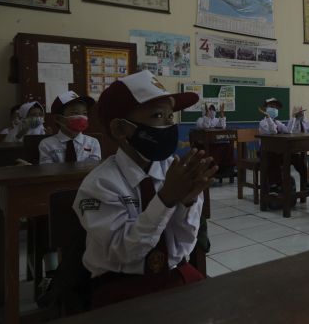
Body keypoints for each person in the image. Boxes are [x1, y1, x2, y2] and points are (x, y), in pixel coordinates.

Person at [72, 70, 215, 308]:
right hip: (120, 285)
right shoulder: (100, 184)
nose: (170, 124)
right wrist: (167, 199)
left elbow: (183, 246)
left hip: (175, 275)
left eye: (171, 116)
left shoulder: (174, 170)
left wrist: (187, 204)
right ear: (119, 129)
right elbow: (125, 253)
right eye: (158, 115)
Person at [258, 98, 307, 202]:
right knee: (273, 157)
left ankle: (306, 181)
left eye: (276, 107)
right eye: (271, 107)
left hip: (278, 152)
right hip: (266, 153)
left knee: (296, 156)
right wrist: (268, 118)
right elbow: (273, 132)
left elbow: (289, 130)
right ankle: (274, 185)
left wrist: (294, 117)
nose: (274, 109)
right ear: (265, 108)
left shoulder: (278, 122)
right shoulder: (263, 123)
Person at [39, 91, 101, 164]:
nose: (81, 117)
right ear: (58, 118)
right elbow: (48, 171)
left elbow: (93, 169)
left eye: (84, 113)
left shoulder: (93, 143)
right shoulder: (47, 144)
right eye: (75, 113)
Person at [195, 102, 235, 173]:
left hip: (215, 144)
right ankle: (210, 169)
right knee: (211, 151)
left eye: (213, 109)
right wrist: (207, 116)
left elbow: (223, 126)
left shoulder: (216, 120)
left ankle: (226, 169)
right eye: (209, 109)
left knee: (228, 147)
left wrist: (222, 113)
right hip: (204, 146)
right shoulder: (200, 120)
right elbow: (206, 126)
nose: (211, 111)